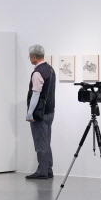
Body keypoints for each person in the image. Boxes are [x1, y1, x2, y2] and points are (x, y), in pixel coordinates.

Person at [26, 44, 57, 179]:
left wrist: (30, 113)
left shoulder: (38, 72)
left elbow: (36, 94)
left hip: (40, 112)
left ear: (34, 56)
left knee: (40, 142)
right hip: (50, 110)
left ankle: (42, 171)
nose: (29, 59)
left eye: (29, 56)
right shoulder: (50, 69)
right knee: (46, 141)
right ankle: (48, 169)